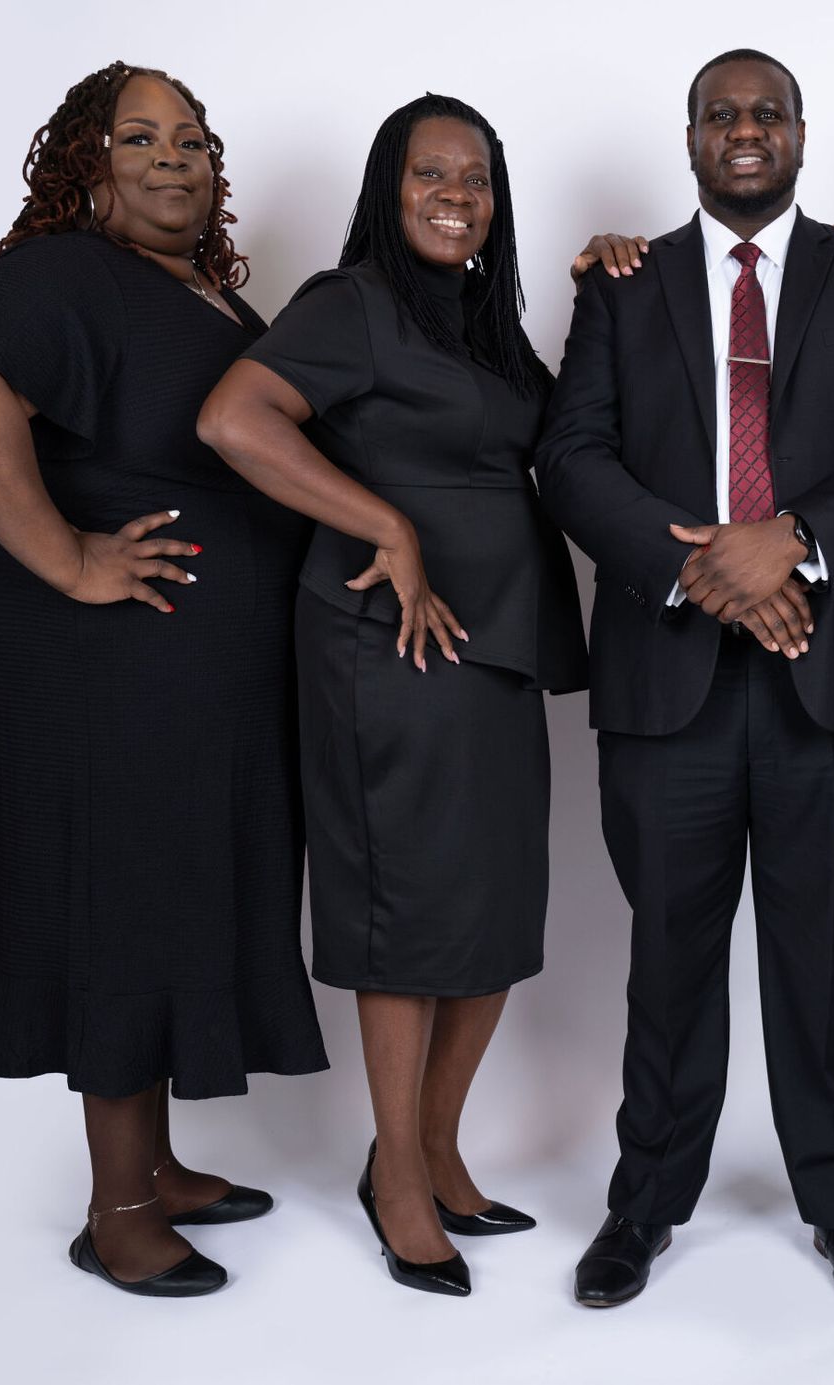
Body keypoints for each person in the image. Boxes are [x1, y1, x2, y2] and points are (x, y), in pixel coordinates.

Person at [536, 48, 834, 1313]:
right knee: (667, 958)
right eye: (720, 114)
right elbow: (572, 454)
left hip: (833, 681)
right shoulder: (622, 283)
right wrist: (710, 569)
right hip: (666, 678)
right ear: (690, 138)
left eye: (765, 112)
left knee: (820, 961)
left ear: (802, 133)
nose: (744, 130)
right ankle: (645, 1201)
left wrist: (800, 542)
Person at [0, 62, 327, 1298]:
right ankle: (121, 1205)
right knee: (126, 892)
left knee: (180, 882)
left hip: (191, 662)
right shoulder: (61, 274)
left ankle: (161, 1161)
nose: (172, 157)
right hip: (108, 656)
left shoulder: (200, 294)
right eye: (137, 137)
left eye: (192, 138)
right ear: (85, 165)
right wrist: (68, 555)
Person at [198, 94, 586, 1299]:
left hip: (498, 643)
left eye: (475, 178)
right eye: (432, 172)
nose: (456, 194)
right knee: (406, 912)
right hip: (390, 642)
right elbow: (232, 417)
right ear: (390, 184)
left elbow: (561, 437)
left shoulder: (479, 322)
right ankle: (402, 1184)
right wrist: (385, 523)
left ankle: (429, 1147)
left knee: (495, 908)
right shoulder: (351, 304)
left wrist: (613, 279)